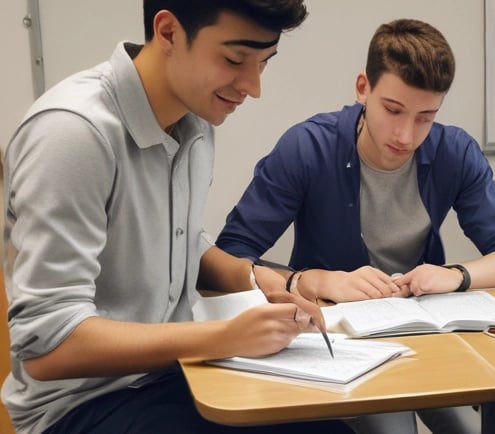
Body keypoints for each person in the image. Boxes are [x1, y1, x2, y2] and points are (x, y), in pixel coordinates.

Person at [0, 2, 355, 434]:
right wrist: (225, 336)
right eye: (234, 59)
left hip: (169, 377)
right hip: (80, 405)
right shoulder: (73, 133)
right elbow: (48, 348)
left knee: (328, 424)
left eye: (263, 63)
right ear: (168, 32)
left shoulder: (194, 119)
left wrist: (265, 282)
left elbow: (179, 239)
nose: (253, 86)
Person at [215, 18, 495, 434]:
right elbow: (229, 257)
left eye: (426, 117)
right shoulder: (307, 148)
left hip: (423, 334)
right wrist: (312, 281)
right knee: (392, 428)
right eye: (392, 110)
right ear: (363, 88)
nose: (406, 135)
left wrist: (454, 276)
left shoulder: (453, 152)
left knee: (470, 429)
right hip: (339, 337)